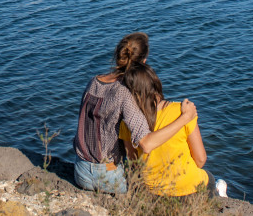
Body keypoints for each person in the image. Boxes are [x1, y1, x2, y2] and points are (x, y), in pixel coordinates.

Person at [73, 32, 197, 193]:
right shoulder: (125, 92)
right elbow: (146, 143)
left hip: (80, 170)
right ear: (144, 62)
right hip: (107, 176)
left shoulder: (94, 81)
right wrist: (185, 117)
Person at [119, 62, 226, 198]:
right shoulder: (183, 111)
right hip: (188, 188)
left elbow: (133, 161)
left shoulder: (128, 122)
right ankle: (219, 195)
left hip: (152, 192)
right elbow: (200, 160)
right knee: (209, 178)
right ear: (155, 83)